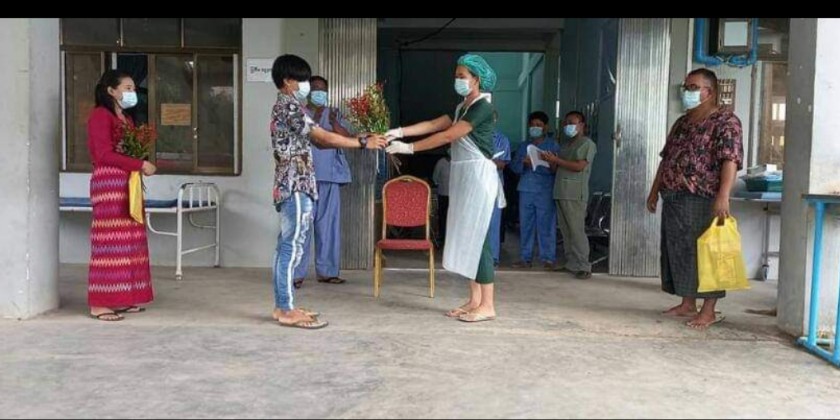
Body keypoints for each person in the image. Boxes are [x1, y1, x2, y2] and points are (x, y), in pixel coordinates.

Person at [269, 54, 387, 329]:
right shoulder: (289, 106)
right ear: (287, 81)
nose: (306, 86)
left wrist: (362, 138)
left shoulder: (290, 106)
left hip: (296, 182)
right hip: (295, 183)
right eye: (302, 80)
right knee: (291, 246)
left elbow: (321, 144)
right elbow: (320, 136)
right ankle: (285, 308)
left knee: (288, 244)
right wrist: (362, 143)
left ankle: (284, 304)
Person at [386, 53, 502, 323]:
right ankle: (474, 300)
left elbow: (448, 135)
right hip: (464, 176)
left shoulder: (482, 107)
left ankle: (488, 305)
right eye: (456, 76)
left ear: (477, 79)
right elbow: (434, 124)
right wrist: (399, 132)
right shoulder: (463, 106)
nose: (457, 80)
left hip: (478, 177)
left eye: (462, 76)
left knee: (479, 240)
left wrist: (409, 148)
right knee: (468, 239)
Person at [647, 68, 743, 330]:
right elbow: (666, 159)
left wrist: (723, 196)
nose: (686, 92)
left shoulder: (726, 121)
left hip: (703, 198)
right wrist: (654, 191)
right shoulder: (682, 122)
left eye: (692, 87)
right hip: (674, 197)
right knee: (679, 252)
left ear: (708, 92)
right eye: (686, 87)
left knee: (707, 254)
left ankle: (708, 310)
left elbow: (730, 160)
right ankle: (687, 302)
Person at [86, 70, 158, 321]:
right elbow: (103, 154)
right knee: (110, 243)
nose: (132, 92)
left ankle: (122, 297)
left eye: (133, 88)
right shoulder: (100, 116)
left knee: (130, 242)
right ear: (111, 91)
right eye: (127, 88)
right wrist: (139, 164)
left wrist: (138, 163)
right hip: (109, 184)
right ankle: (100, 303)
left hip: (128, 183)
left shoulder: (126, 118)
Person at [292, 76, 354, 289]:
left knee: (328, 226)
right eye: (316, 88)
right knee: (301, 227)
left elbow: (347, 138)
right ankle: (296, 274)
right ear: (308, 91)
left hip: (329, 177)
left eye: (323, 89)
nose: (320, 93)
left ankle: (327, 272)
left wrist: (334, 123)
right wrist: (317, 116)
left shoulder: (334, 113)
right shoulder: (299, 112)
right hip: (304, 178)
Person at [540, 111, 597, 280]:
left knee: (576, 230)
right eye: (565, 123)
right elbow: (557, 168)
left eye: (571, 122)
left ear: (582, 125)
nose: (567, 126)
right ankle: (571, 263)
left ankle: (583, 265)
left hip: (574, 193)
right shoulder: (565, 145)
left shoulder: (587, 143)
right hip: (561, 191)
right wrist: (549, 160)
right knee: (566, 230)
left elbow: (579, 166)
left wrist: (556, 161)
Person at [510, 111, 559, 270]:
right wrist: (523, 163)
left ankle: (548, 258)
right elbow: (514, 167)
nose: (535, 128)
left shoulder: (552, 145)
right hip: (526, 188)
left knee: (546, 224)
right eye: (532, 125)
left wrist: (549, 162)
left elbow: (557, 169)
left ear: (546, 127)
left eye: (539, 125)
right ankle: (525, 258)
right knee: (526, 224)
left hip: (545, 189)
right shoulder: (524, 146)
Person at [490, 112, 511, 267]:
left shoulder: (501, 139)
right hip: (474, 185)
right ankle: (473, 259)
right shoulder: (471, 137)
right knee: (474, 223)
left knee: (493, 223)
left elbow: (502, 164)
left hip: (493, 185)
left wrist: (486, 161)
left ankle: (492, 258)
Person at [432, 152, 452, 245]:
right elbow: (435, 178)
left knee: (452, 217)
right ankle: (442, 237)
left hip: (455, 196)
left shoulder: (458, 162)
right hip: (443, 194)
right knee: (442, 216)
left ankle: (451, 238)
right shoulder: (441, 162)